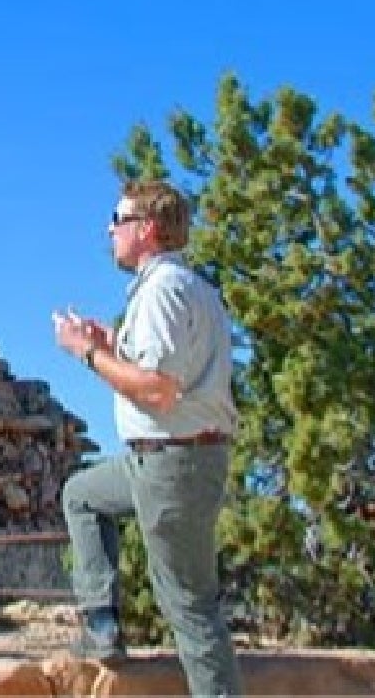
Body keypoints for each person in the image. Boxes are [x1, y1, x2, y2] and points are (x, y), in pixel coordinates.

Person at [54, 180, 243, 697]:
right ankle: (101, 627)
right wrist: (110, 343)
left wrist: (85, 354)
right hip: (159, 458)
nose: (109, 231)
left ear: (148, 229)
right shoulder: (187, 288)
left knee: (190, 606)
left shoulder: (162, 291)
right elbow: (167, 366)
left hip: (172, 461)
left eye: (118, 220)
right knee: (83, 495)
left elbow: (159, 390)